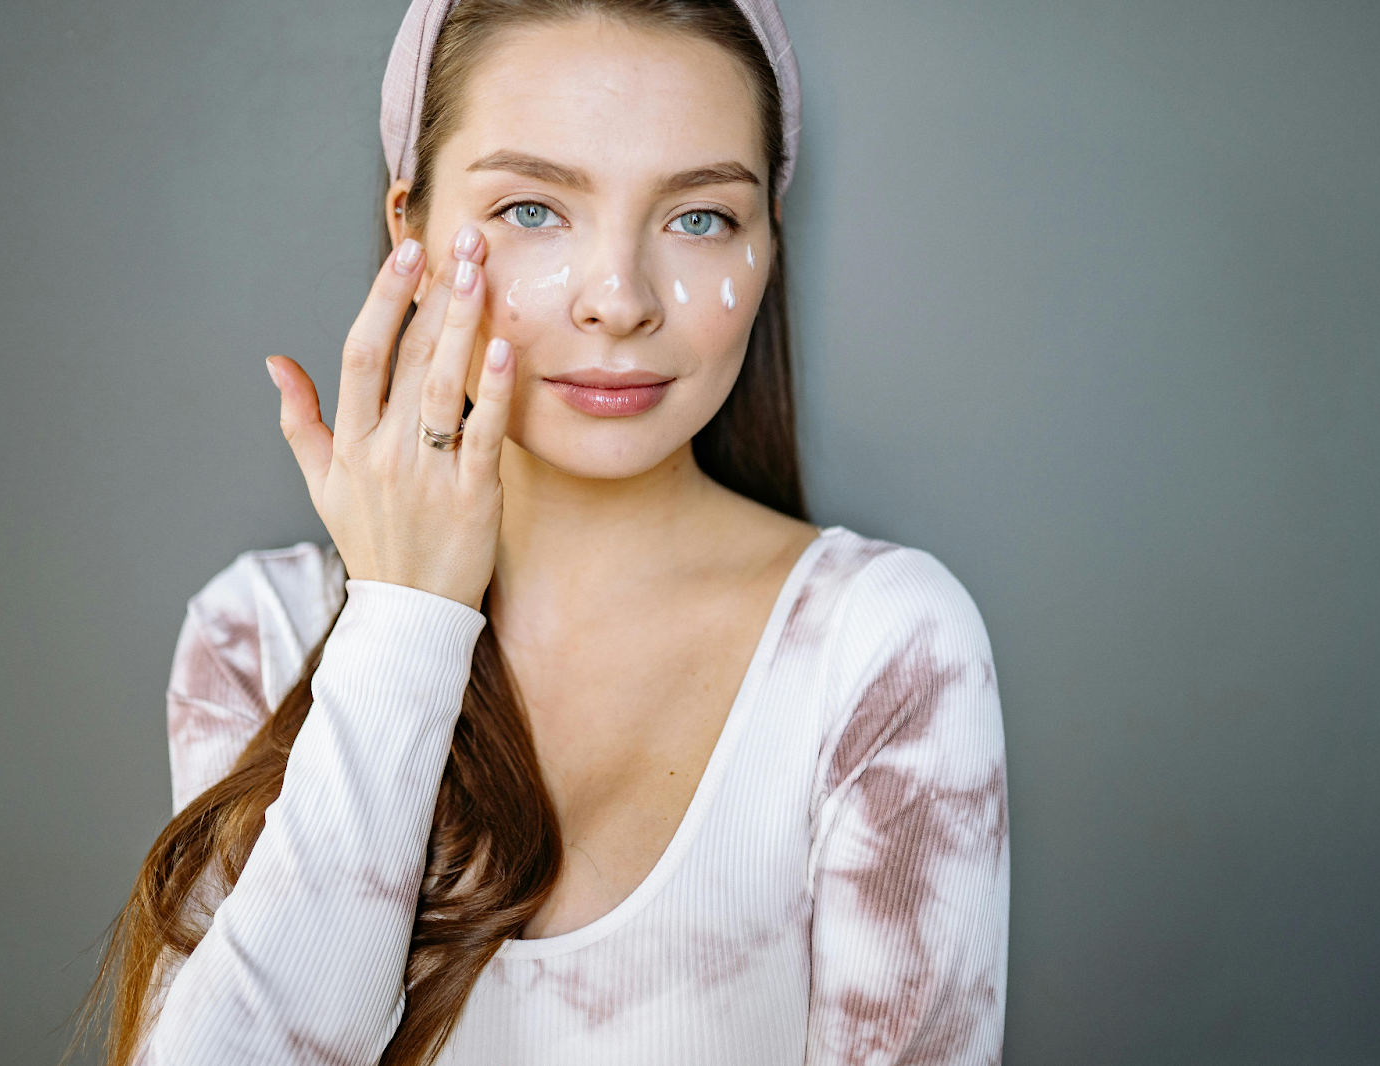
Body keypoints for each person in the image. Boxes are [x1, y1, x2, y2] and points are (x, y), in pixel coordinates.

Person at [83, 1, 1009, 1062]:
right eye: (531, 209)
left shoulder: (879, 648)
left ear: (765, 249)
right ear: (412, 236)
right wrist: (403, 626)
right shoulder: (255, 634)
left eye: (699, 216)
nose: (620, 301)